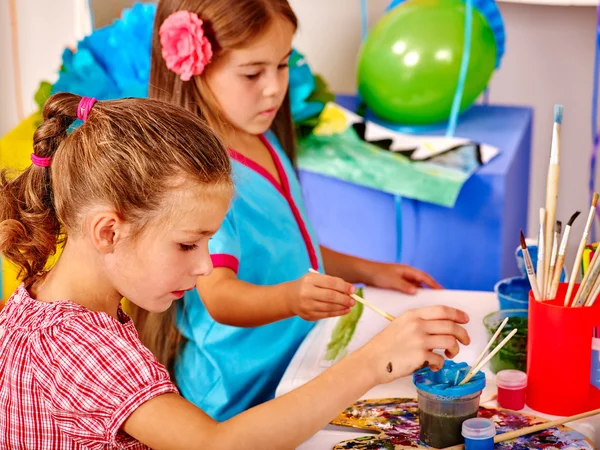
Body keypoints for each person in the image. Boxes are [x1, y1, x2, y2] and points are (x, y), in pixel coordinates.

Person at [0, 93, 468, 449]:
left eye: (208, 242)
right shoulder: (79, 346)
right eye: (187, 243)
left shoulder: (37, 302)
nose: (205, 266)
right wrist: (372, 362)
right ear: (108, 232)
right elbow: (215, 445)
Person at [144, 0, 443, 421]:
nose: (274, 88)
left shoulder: (261, 136)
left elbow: (287, 253)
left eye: (283, 65)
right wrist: (294, 298)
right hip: (233, 399)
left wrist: (369, 270)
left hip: (290, 368)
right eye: (252, 73)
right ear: (194, 68)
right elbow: (220, 296)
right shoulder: (202, 176)